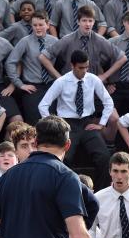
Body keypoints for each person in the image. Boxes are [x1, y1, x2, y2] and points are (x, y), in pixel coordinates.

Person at [38, 50, 114, 189]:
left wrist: (101, 124)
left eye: (86, 67)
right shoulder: (61, 81)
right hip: (67, 125)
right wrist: (54, 125)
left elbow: (108, 102)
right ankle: (64, 189)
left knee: (104, 157)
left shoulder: (93, 79)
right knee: (64, 158)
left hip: (87, 123)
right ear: (72, 66)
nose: (84, 71)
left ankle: (100, 192)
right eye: (80, 68)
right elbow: (43, 105)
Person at [5, 11, 57, 125]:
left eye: (41, 25)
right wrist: (19, 84)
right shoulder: (25, 41)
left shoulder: (55, 41)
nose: (38, 28)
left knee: (51, 121)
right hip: (32, 87)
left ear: (47, 25)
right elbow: (10, 62)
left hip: (50, 86)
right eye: (35, 25)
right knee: (34, 122)